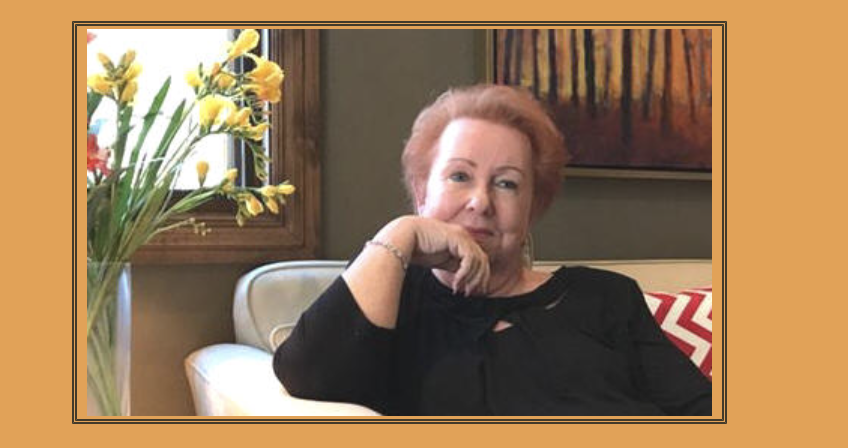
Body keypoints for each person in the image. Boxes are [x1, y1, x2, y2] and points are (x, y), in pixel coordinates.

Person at [272, 84, 712, 416]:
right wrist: (401, 233)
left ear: (531, 209)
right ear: (422, 192)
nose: (480, 201)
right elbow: (306, 377)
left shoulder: (607, 298)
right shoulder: (389, 294)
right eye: (459, 176)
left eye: (506, 183)